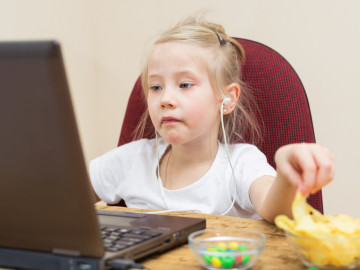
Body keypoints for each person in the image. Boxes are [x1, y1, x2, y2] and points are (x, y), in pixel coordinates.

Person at [89, 16, 335, 223]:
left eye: (184, 84)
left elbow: (277, 212)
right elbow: (65, 197)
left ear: (227, 99)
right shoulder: (132, 160)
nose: (165, 99)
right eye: (155, 87)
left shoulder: (241, 164)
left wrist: (286, 173)